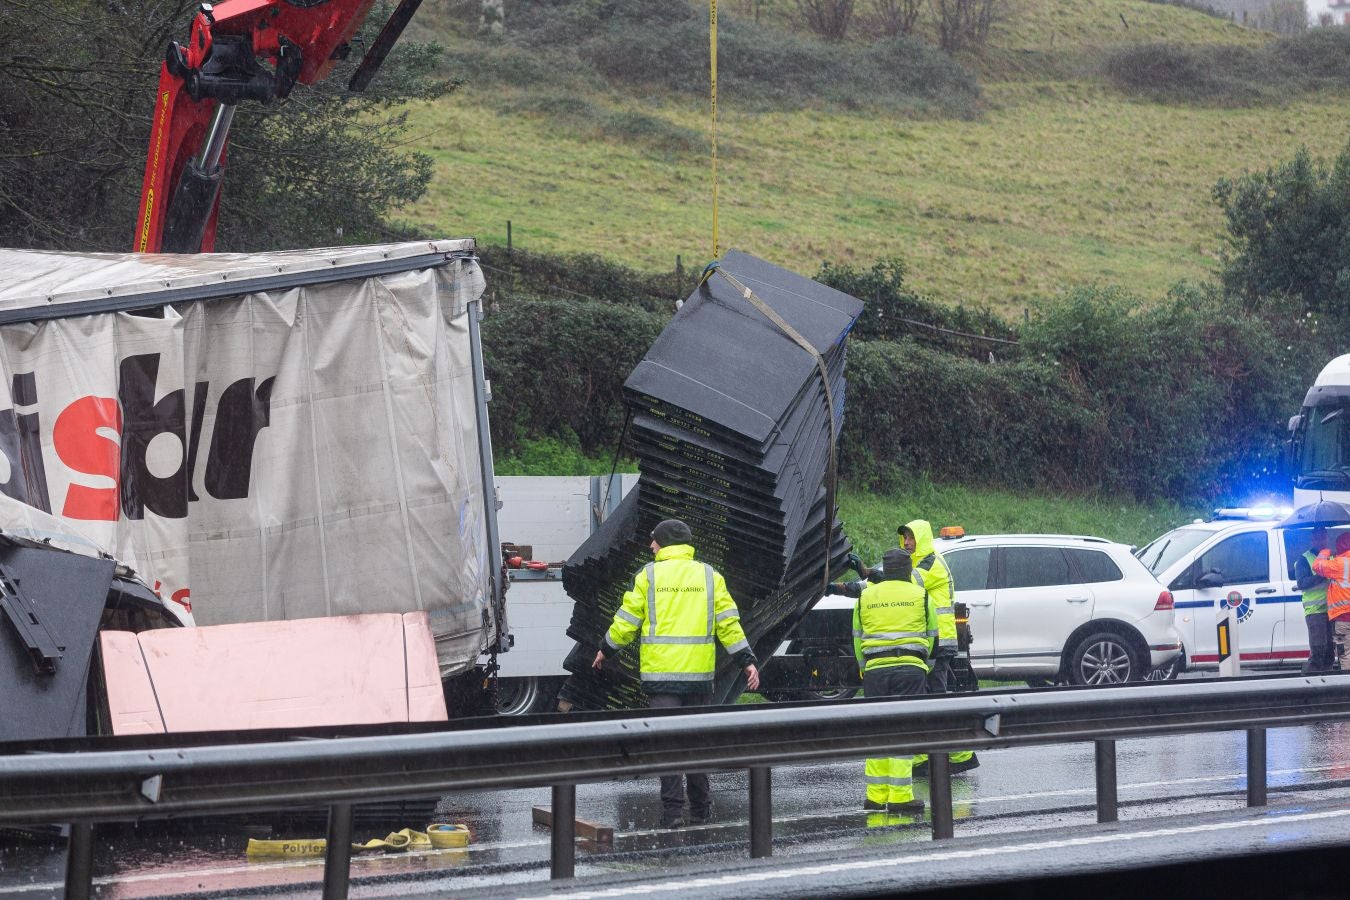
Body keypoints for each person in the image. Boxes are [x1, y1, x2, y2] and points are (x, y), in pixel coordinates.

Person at [592, 518, 760, 829]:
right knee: (695, 743)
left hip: (663, 677)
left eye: (654, 540)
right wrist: (746, 660)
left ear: (665, 542)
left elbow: (627, 621)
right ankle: (702, 808)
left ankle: (672, 814)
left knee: (668, 746)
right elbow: (729, 625)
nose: (650, 545)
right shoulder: (710, 577)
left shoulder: (649, 576)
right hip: (698, 677)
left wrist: (606, 648)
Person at [845, 547, 935, 814]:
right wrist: (923, 666)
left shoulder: (865, 596)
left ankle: (875, 796)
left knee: (877, 731)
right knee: (905, 730)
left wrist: (866, 667)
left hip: (875, 671)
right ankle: (899, 797)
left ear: (884, 570)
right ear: (908, 571)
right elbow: (933, 635)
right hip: (911, 669)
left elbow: (857, 637)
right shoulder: (921, 595)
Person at [900, 519, 978, 775]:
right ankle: (940, 755)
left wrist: (869, 576)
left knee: (933, 697)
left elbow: (901, 585)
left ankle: (955, 754)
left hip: (938, 641)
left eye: (911, 538)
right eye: (905, 538)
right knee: (930, 696)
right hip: (930, 642)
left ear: (921, 539)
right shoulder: (919, 563)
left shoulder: (930, 564)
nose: (907, 542)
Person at [1294, 527, 1335, 673]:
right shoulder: (1304, 559)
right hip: (1315, 611)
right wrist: (1321, 575)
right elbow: (1302, 583)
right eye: (1318, 538)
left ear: (1327, 538)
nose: (1321, 541)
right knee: (1318, 648)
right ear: (1313, 539)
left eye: (1323, 537)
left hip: (1331, 610)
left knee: (1330, 651)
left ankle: (1327, 684)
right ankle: (1309, 682)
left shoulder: (1331, 557)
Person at [1312, 531, 1350, 670]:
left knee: (1345, 653)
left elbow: (1317, 566)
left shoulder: (1339, 564)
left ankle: (1346, 687)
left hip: (1343, 618)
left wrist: (1325, 551)